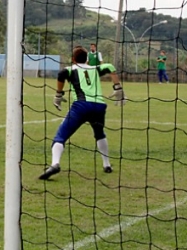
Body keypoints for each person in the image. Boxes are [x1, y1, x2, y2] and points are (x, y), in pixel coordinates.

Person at [39, 46, 126, 180]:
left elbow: (61, 74)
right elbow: (109, 67)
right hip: (99, 106)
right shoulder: (95, 68)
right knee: (99, 133)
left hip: (81, 106)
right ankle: (106, 164)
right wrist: (117, 87)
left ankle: (54, 163)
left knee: (61, 136)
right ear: (87, 59)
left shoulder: (70, 69)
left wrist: (58, 94)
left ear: (73, 59)